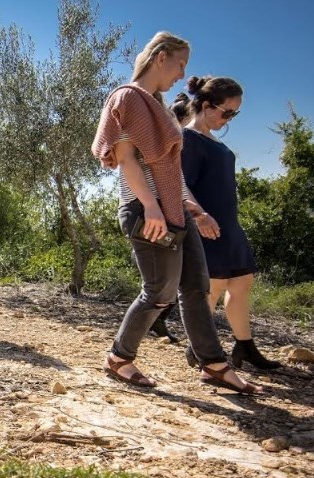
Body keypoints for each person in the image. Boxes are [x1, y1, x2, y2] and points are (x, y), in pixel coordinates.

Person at [91, 31, 262, 394]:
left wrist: (195, 210)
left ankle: (214, 364)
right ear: (161, 57)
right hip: (145, 209)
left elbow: (171, 171)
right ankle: (119, 357)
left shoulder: (158, 106)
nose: (183, 74)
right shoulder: (128, 97)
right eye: (180, 63)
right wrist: (152, 207)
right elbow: (126, 160)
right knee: (159, 291)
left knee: (196, 288)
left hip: (172, 210)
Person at [176, 75, 281, 370]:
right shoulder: (188, 138)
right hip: (207, 224)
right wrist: (198, 217)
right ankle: (199, 349)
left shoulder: (211, 139)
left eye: (235, 113)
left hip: (228, 224)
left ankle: (244, 346)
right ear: (207, 106)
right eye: (227, 112)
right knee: (213, 287)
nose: (229, 119)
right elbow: (180, 182)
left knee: (242, 281)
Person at [149, 93, 193, 343]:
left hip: (174, 214)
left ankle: (158, 319)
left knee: (170, 276)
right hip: (166, 215)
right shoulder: (173, 139)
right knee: (167, 276)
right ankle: (155, 319)